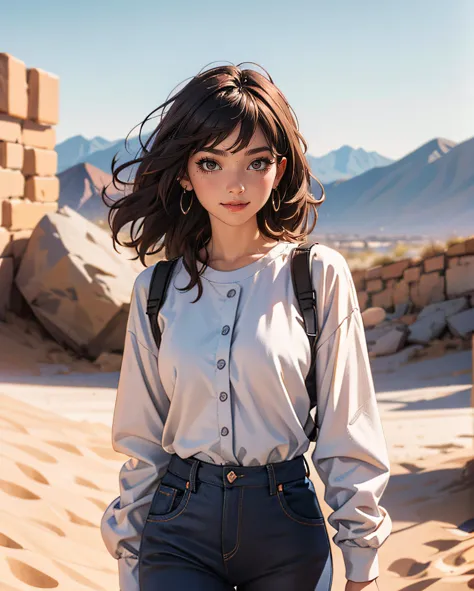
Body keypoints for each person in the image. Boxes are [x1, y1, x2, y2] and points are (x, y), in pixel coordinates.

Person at [100, 62, 392, 591]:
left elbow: (348, 428)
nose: (234, 184)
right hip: (176, 527)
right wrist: (128, 556)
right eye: (211, 162)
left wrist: (362, 560)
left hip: (286, 526)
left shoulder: (318, 275)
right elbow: (141, 441)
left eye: (255, 161)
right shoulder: (156, 291)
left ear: (278, 170)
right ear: (185, 173)